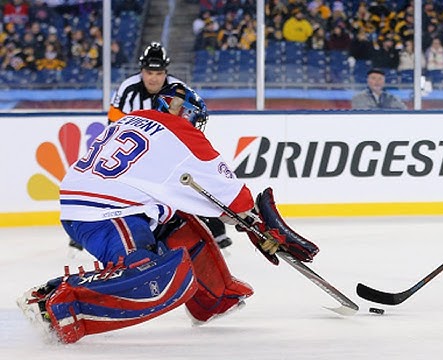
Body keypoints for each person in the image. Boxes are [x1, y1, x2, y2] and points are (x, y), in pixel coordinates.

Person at [17, 83, 319, 344]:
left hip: (98, 200)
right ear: (187, 113)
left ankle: (215, 297)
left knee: (178, 224)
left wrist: (245, 222)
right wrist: (262, 226)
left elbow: (184, 193)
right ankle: (57, 304)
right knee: (157, 276)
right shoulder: (184, 134)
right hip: (106, 211)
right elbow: (236, 200)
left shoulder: (133, 119)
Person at [97, 41, 232, 251]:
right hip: (135, 155)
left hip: (167, 154)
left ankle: (214, 228)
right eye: (149, 72)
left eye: (159, 73)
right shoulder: (127, 90)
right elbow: (112, 128)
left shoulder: (178, 91)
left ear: (165, 72)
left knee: (190, 183)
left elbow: (189, 128)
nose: (153, 77)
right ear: (141, 71)